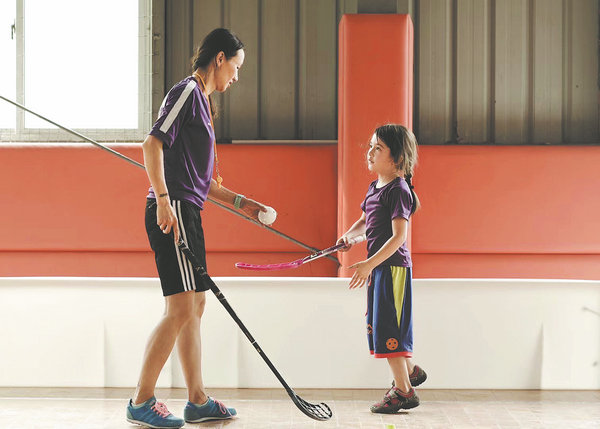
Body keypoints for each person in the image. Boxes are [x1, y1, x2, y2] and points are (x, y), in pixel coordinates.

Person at [127, 28, 272, 428]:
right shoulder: (188, 92)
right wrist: (162, 199)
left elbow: (205, 183)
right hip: (172, 210)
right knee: (180, 307)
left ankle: (197, 400)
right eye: (236, 67)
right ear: (219, 58)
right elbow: (151, 144)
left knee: (195, 306)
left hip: (188, 210)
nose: (236, 77)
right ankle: (141, 400)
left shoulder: (204, 105)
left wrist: (244, 204)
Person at [337, 124, 427, 414]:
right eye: (370, 146)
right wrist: (349, 237)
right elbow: (365, 222)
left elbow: (399, 237)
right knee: (380, 327)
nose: (370, 152)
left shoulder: (398, 190)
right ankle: (410, 372)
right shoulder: (374, 188)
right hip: (378, 269)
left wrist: (368, 264)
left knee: (389, 329)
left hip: (392, 269)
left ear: (397, 158)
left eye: (378, 148)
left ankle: (404, 391)